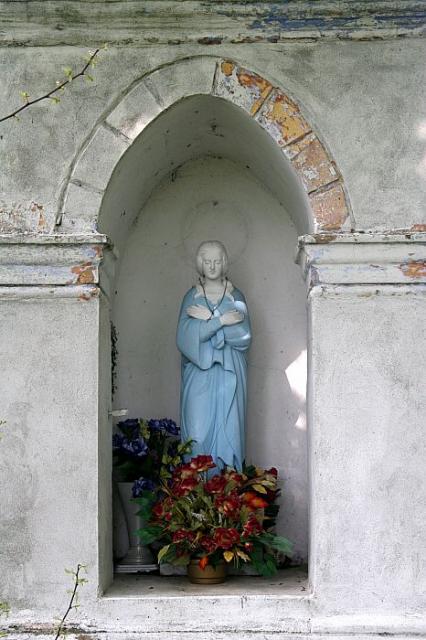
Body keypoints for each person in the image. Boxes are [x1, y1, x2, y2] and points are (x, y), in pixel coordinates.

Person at [176, 240, 251, 471]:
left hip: (230, 373)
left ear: (224, 263)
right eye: (207, 261)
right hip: (200, 374)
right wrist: (221, 321)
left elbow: (243, 336)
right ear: (200, 263)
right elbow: (185, 338)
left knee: (229, 429)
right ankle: (195, 488)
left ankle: (228, 485)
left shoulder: (235, 296)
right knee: (196, 433)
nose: (212, 266)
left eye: (217, 261)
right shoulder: (192, 297)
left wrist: (209, 320)